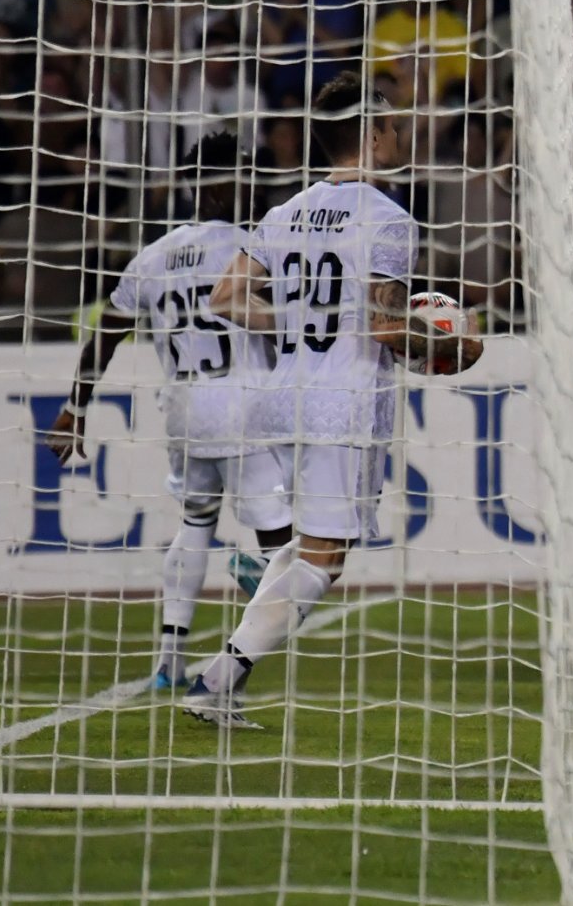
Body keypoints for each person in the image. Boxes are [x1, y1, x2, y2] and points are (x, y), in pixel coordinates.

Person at [186, 73, 482, 728]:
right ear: (372, 132)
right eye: (394, 125)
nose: (399, 135)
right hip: (342, 404)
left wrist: (291, 319)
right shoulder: (389, 216)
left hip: (282, 396)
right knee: (326, 559)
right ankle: (216, 682)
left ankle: (222, 676)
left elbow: (225, 299)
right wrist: (449, 344)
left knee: (311, 547)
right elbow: (382, 327)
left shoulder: (282, 213)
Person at [46, 133, 291, 689]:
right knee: (288, 544)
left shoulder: (152, 256)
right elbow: (283, 330)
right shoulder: (253, 247)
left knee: (195, 522)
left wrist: (73, 407)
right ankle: (240, 629)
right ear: (221, 181)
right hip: (242, 406)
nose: (250, 183)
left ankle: (168, 659)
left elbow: (105, 334)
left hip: (181, 407)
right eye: (242, 173)